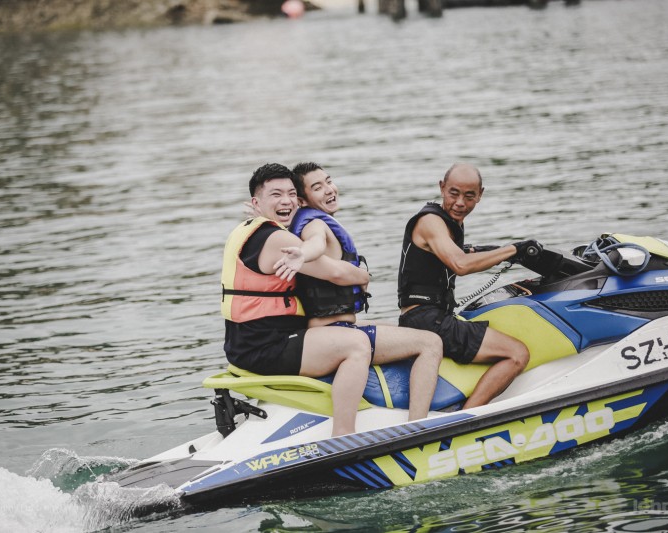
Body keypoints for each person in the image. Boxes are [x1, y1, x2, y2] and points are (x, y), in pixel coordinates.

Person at [222, 163, 374, 437]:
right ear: (257, 202)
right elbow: (337, 273)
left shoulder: (250, 229)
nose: (286, 201)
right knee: (357, 345)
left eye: (291, 194)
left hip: (246, 344)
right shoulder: (278, 239)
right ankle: (344, 436)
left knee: (366, 328)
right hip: (268, 347)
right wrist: (365, 276)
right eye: (276, 195)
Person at [288, 162, 443, 422]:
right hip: (334, 331)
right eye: (318, 187)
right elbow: (314, 244)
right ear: (303, 201)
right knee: (431, 343)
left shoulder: (305, 221)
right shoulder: (313, 224)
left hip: (335, 327)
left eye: (328, 181)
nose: (329, 190)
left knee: (403, 327)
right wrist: (304, 253)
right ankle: (417, 425)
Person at [398, 162, 537, 409]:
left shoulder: (452, 223)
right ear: (442, 188)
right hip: (425, 320)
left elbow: (458, 254)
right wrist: (513, 249)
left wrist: (496, 251)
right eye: (454, 193)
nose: (460, 202)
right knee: (518, 353)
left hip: (435, 316)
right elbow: (461, 265)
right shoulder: (431, 221)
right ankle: (468, 418)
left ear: (480, 195)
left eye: (469, 196)